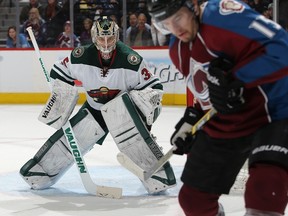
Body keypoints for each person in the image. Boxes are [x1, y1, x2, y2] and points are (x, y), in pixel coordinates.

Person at [147, 0, 288, 215]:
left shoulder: (222, 15)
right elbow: (209, 97)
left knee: (265, 190)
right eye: (165, 24)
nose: (175, 30)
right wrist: (193, 119)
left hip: (276, 109)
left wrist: (237, 78)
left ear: (193, 5)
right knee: (194, 201)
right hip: (233, 119)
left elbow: (282, 49)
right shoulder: (178, 50)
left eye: (178, 18)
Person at [19, 16, 176, 195]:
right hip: (95, 109)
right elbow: (59, 72)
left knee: (132, 135)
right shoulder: (81, 57)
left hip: (124, 111)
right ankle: (40, 171)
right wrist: (61, 98)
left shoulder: (131, 60)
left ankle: (158, 176)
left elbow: (154, 89)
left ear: (116, 37)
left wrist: (143, 118)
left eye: (110, 38)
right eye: (102, 38)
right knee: (73, 140)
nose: (106, 43)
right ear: (95, 38)